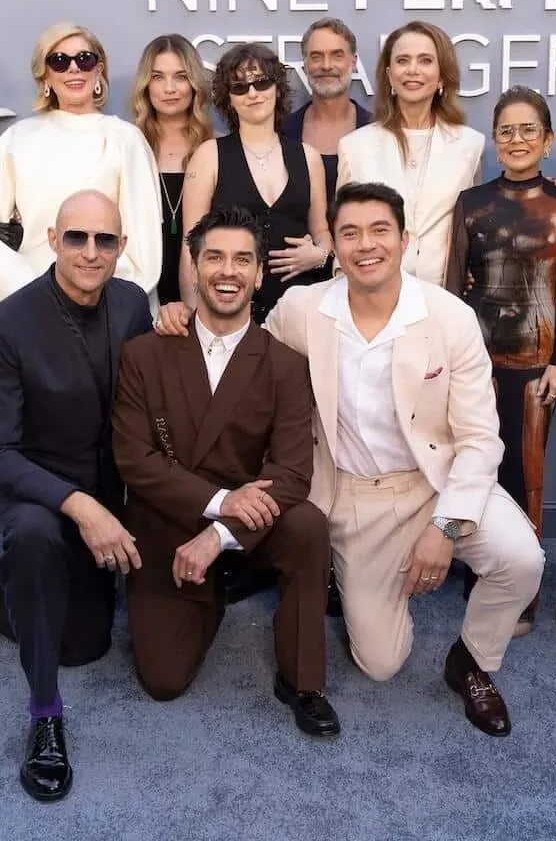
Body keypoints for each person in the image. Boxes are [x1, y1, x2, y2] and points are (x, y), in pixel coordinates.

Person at [264, 182, 545, 737]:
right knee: (381, 664)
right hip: (354, 495)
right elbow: (249, 358)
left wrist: (444, 528)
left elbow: (480, 438)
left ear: (405, 238)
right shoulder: (302, 309)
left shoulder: (449, 316)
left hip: (438, 483)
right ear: (334, 245)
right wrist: (180, 320)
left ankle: (472, 661)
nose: (365, 245)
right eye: (350, 233)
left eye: (379, 231)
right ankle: (365, 584)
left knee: (522, 559)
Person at [0, 190, 153, 802]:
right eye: (77, 237)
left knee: (85, 644)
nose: (90, 252)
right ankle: (45, 715)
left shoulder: (131, 305)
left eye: (104, 239)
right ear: (52, 240)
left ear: (121, 247)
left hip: (100, 488)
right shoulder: (6, 324)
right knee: (37, 541)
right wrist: (81, 507)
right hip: (25, 486)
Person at [111, 206, 338, 737]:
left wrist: (219, 533)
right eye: (214, 258)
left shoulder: (285, 365)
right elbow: (135, 460)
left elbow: (292, 473)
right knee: (163, 680)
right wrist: (219, 503)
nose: (228, 271)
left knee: (307, 523)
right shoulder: (145, 354)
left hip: (245, 529)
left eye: (242, 259)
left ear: (259, 275)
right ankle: (211, 592)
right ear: (193, 269)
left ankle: (303, 681)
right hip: (168, 522)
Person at [444, 86, 556, 636]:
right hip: (475, 360)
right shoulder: (470, 203)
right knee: (475, 467)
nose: (517, 139)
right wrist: (449, 359)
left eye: (529, 130)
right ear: (494, 140)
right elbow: (453, 286)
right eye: (506, 130)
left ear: (547, 140)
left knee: (526, 476)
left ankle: (521, 594)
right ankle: (478, 570)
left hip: (535, 364)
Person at [0, 21, 163, 311]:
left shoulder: (125, 139)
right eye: (59, 61)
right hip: (33, 312)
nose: (73, 69)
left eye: (85, 59)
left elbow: (142, 245)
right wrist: (34, 298)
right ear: (44, 74)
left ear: (99, 70)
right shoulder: (17, 139)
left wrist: (93, 300)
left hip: (111, 312)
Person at [179, 42, 333, 324]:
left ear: (277, 88)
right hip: (229, 314)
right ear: (229, 98)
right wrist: (194, 318)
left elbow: (322, 230)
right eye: (239, 87)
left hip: (301, 312)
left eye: (261, 83)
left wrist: (320, 255)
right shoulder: (209, 156)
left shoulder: (309, 158)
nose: (252, 93)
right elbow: (191, 246)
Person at [336, 21, 484, 286]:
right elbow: (344, 230)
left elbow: (473, 228)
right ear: (390, 74)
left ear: (441, 75)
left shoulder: (471, 145)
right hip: (372, 293)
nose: (413, 70)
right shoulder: (354, 147)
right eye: (403, 60)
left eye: (425, 60)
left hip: (444, 296)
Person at [130, 33, 214, 305]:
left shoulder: (215, 150)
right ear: (146, 85)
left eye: (181, 76)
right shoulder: (129, 146)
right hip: (139, 291)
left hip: (204, 293)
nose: (169, 88)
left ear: (194, 84)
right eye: (158, 77)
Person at [280, 17, 372, 216]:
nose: (326, 65)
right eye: (316, 56)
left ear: (353, 61)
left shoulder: (378, 130)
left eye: (337, 55)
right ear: (305, 64)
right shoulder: (280, 133)